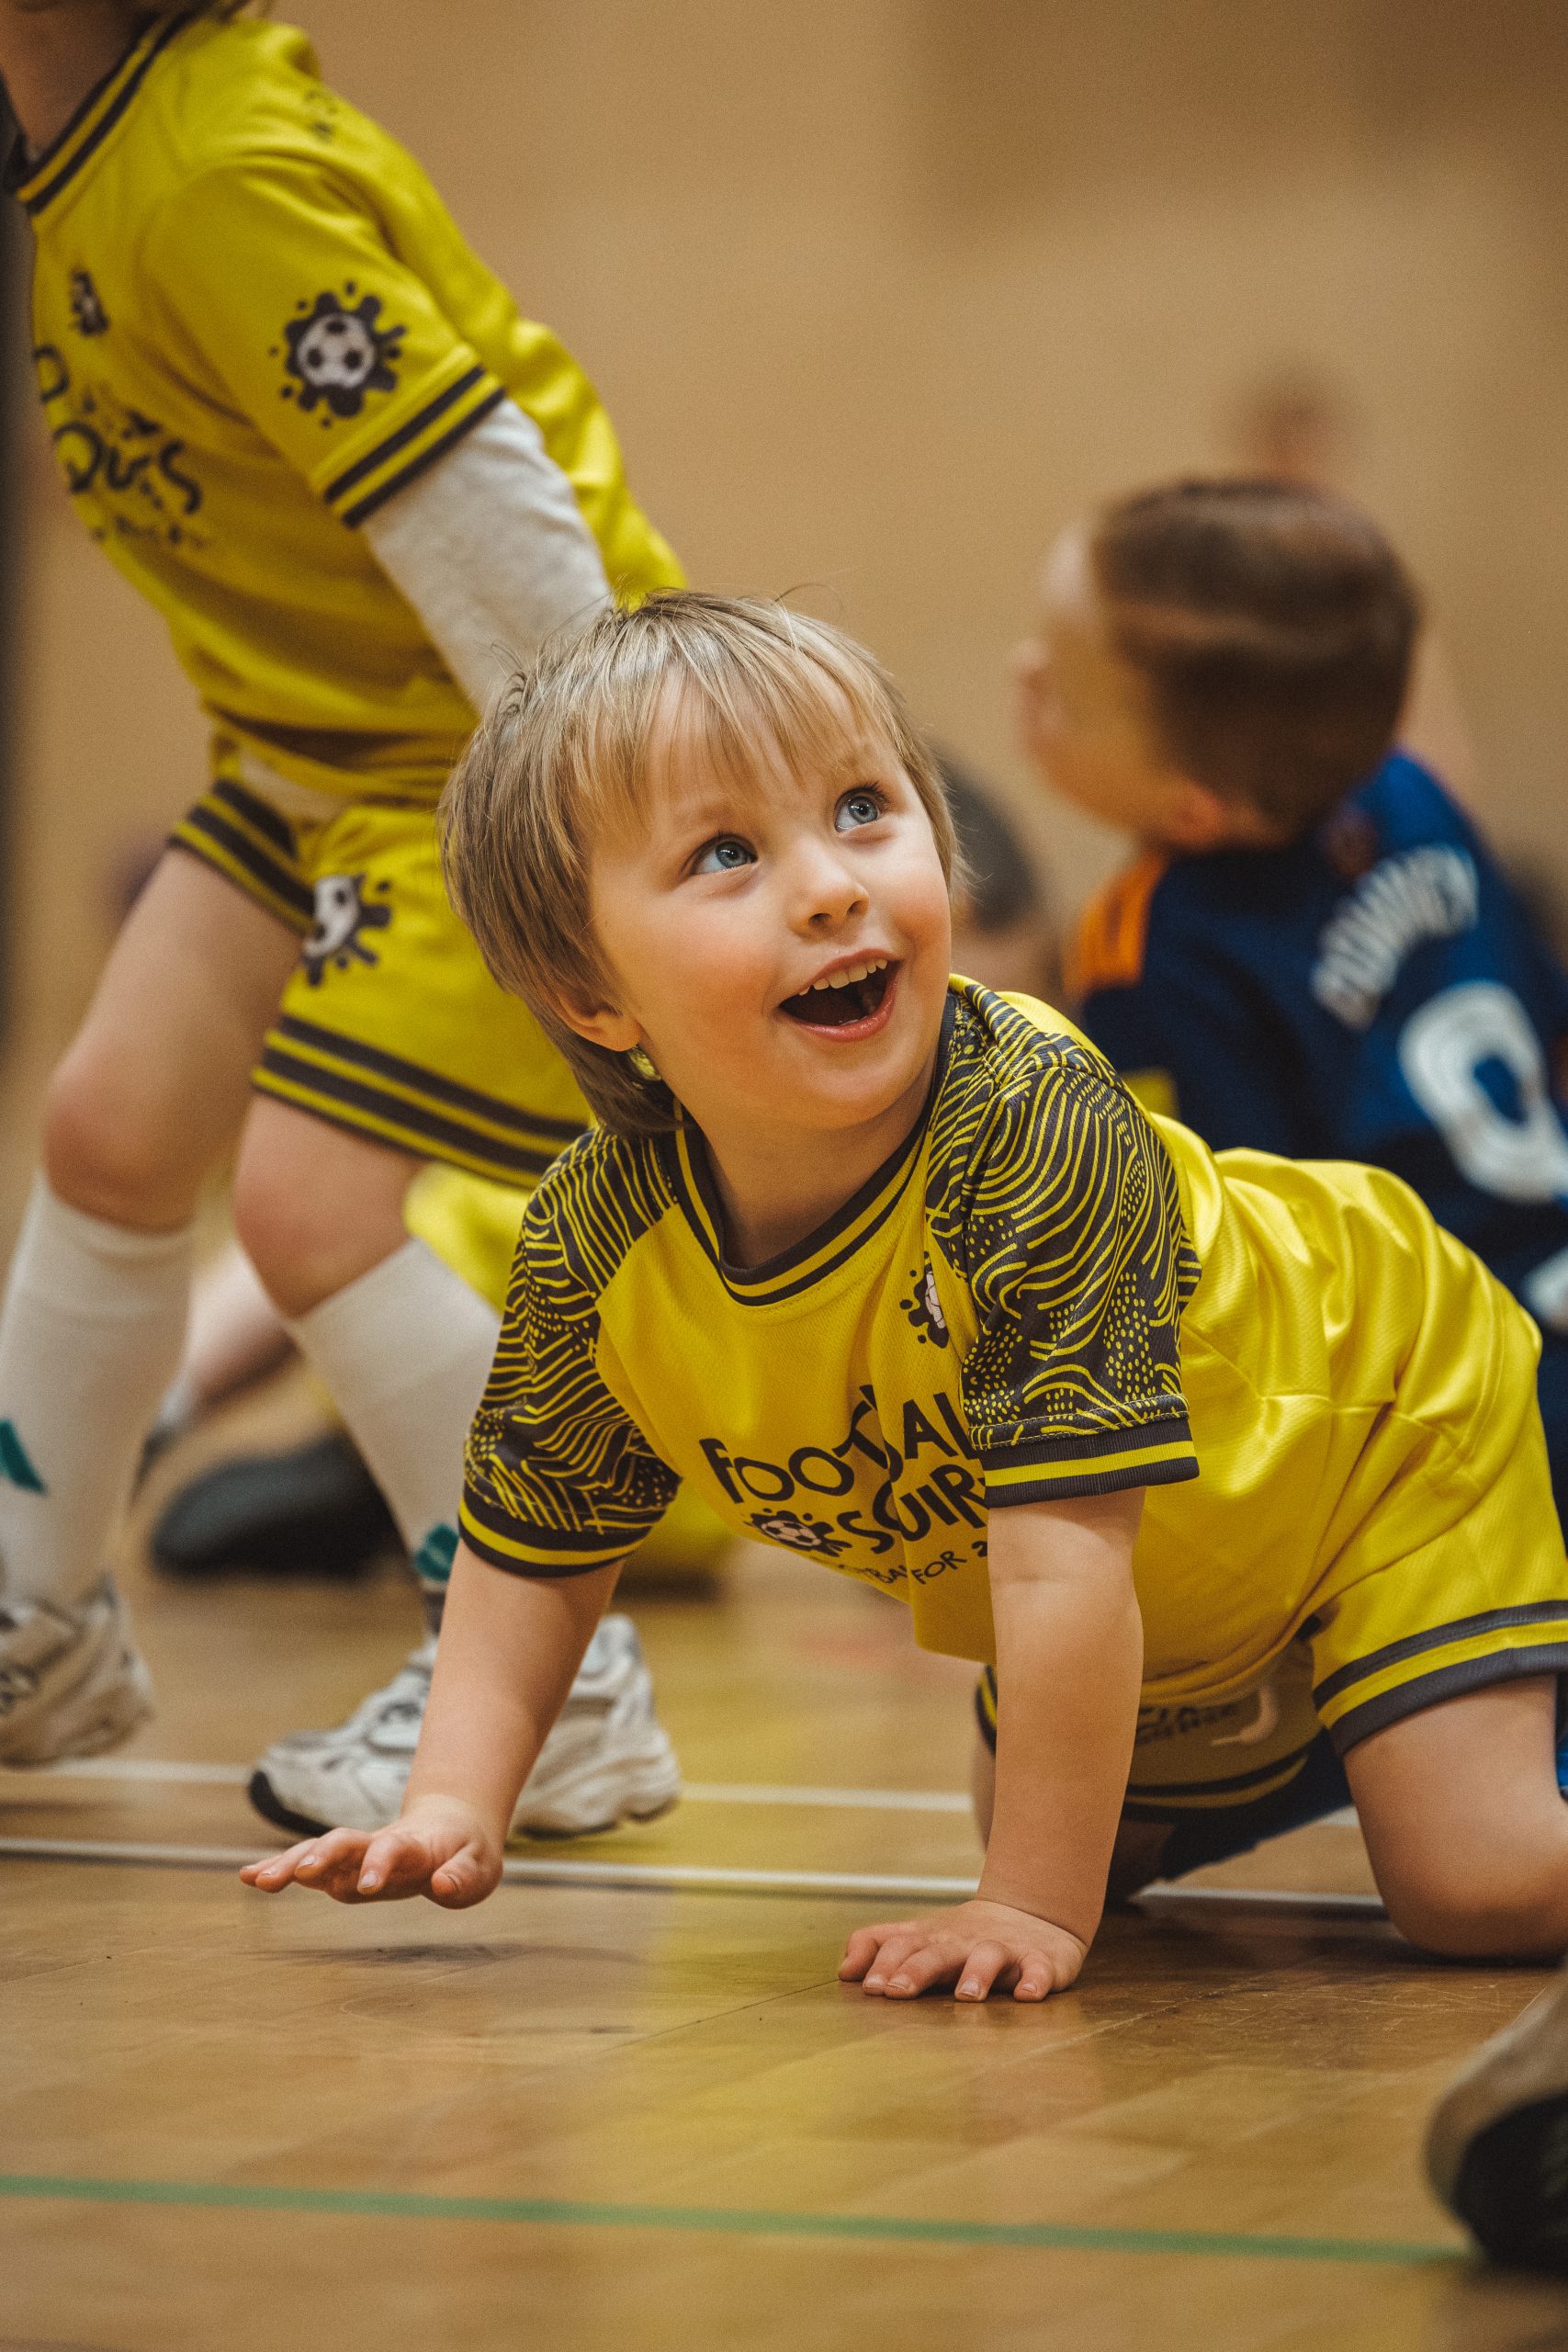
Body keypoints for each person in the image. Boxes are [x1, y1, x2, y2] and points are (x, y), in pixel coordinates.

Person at [242, 592, 1568, 2007]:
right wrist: (453, 1802)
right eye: (725, 852)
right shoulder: (592, 1241)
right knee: (1051, 1823)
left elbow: (1060, 1565)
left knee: (1471, 1888)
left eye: (862, 808)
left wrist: (1027, 1907)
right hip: (1171, 1582)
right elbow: (529, 1558)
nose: (829, 884)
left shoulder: (1031, 1126)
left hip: (1376, 1425)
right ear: (587, 992)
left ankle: (1389, 1696)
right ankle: (1338, 1713)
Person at [0, 0, 682, 1839]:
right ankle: (33, 1626)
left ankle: (555, 1692)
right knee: (110, 1130)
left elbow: (484, 497)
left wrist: (609, 817)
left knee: (310, 1210)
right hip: (312, 755)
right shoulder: (103, 154)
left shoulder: (211, 162)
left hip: (485, 758)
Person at [1016, 479, 1568, 1528]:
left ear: (1193, 810)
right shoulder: (1410, 793)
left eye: (1060, 691)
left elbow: (1221, 1245)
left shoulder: (1148, 945)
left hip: (1452, 1403)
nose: (1023, 673)